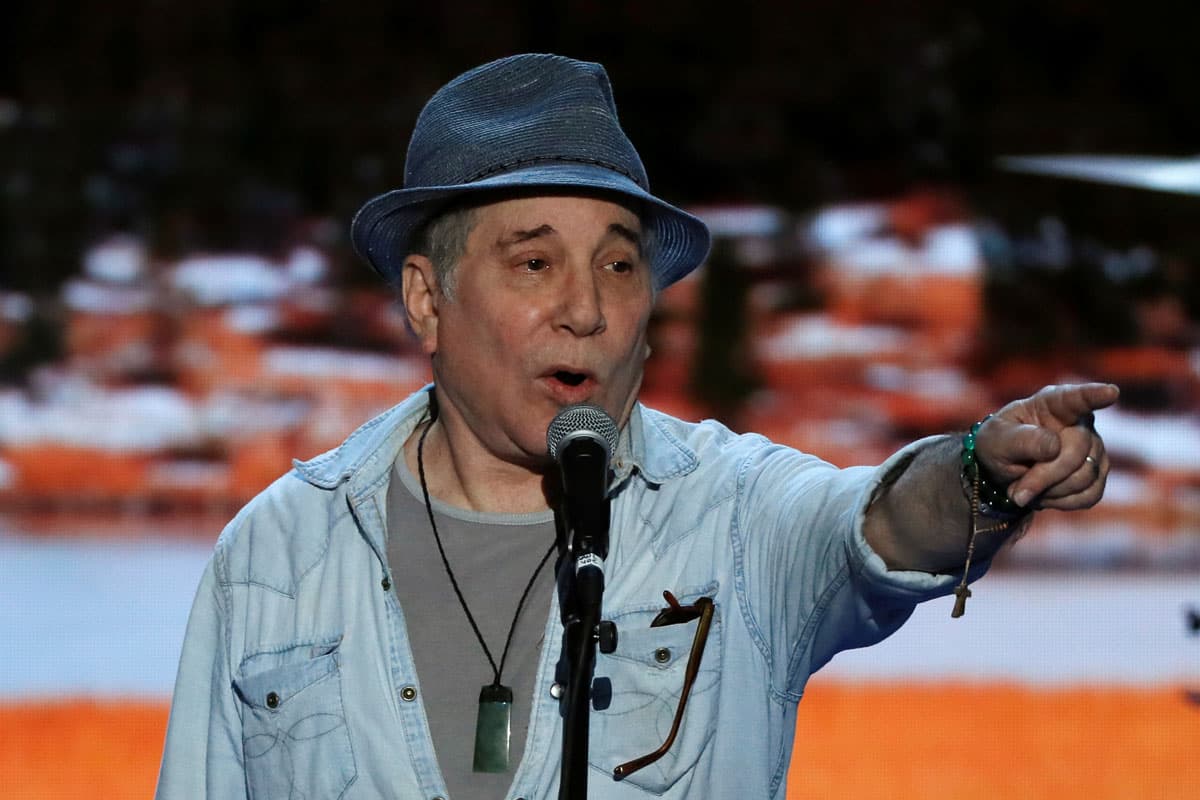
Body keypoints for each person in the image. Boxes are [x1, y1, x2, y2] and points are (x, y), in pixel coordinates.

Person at [155, 53, 1118, 800]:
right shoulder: (277, 555)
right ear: (426, 298)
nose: (587, 310)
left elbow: (881, 523)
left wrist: (979, 472)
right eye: (535, 263)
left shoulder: (733, 516)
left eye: (618, 266)